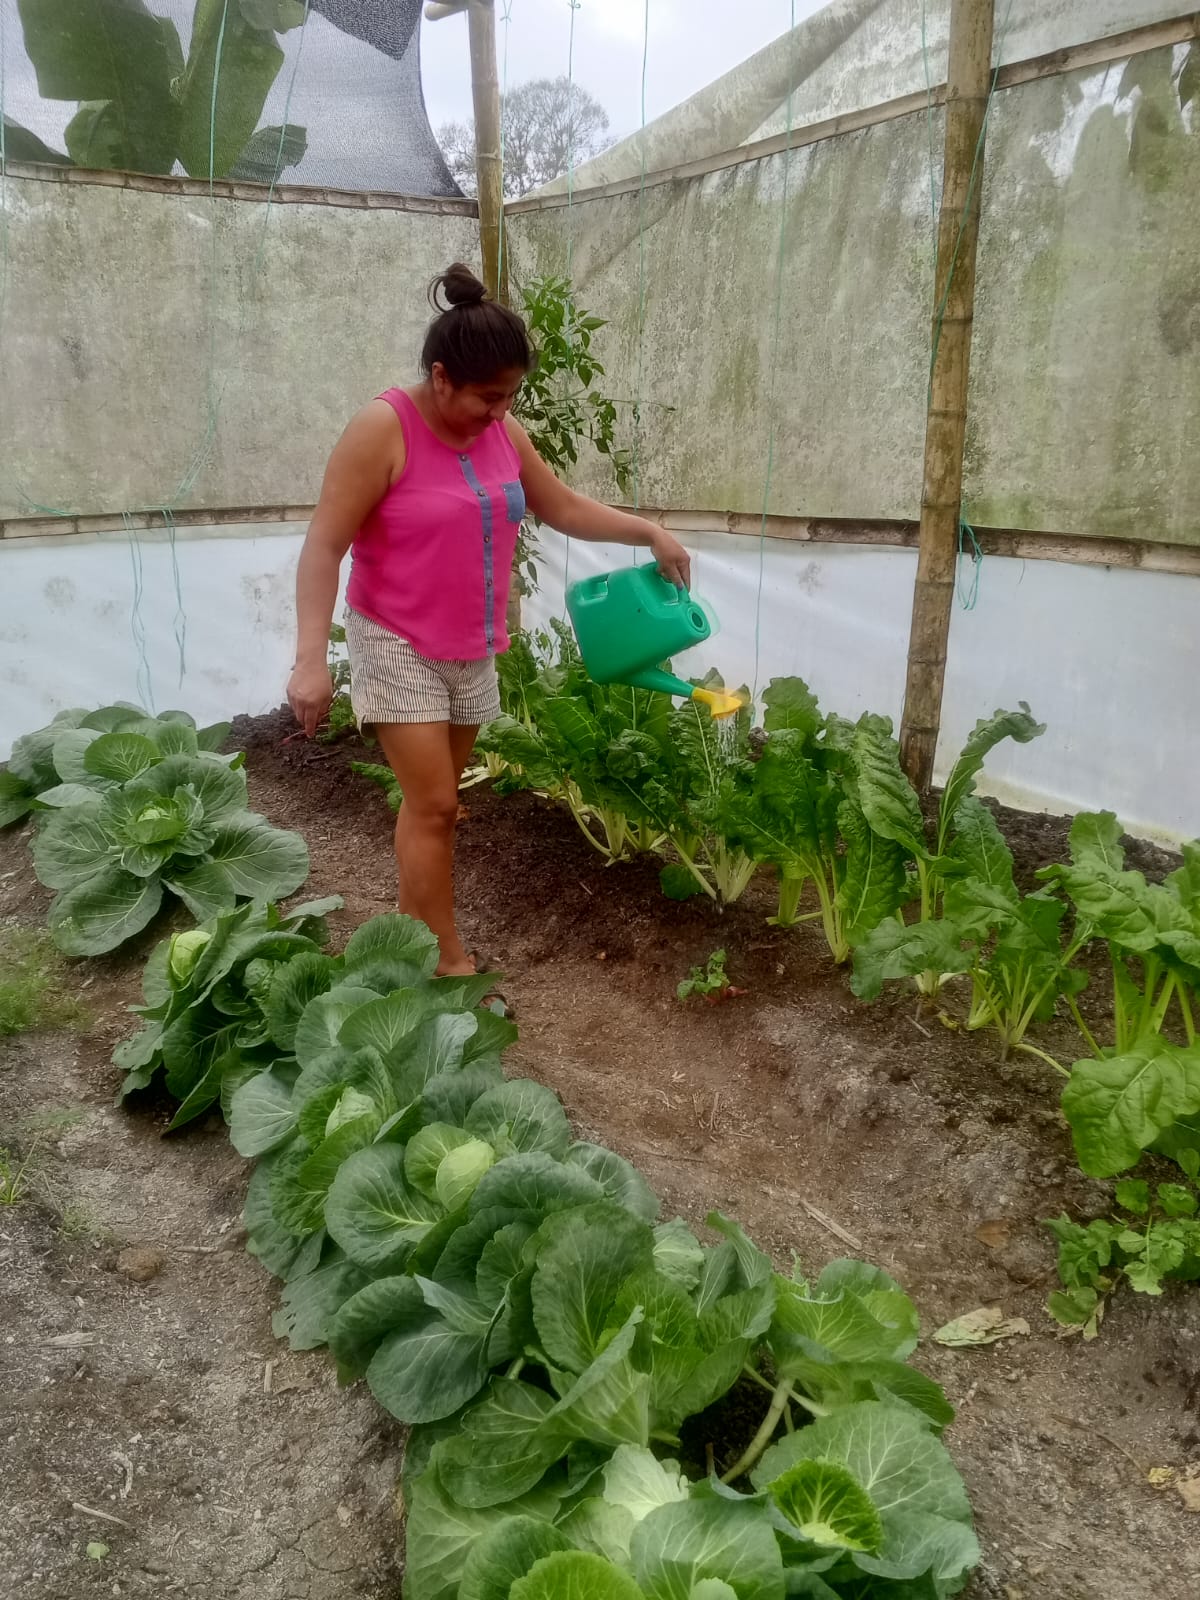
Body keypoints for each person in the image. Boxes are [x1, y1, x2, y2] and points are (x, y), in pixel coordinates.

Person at [286, 262, 691, 978]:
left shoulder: (503, 431)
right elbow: (324, 545)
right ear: (442, 378)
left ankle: (408, 942)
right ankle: (449, 961)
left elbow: (560, 505)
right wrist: (310, 660)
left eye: (510, 396)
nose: (500, 412)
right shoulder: (383, 429)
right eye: (488, 397)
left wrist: (649, 532)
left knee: (431, 809)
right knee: (436, 805)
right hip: (396, 636)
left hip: (472, 644)